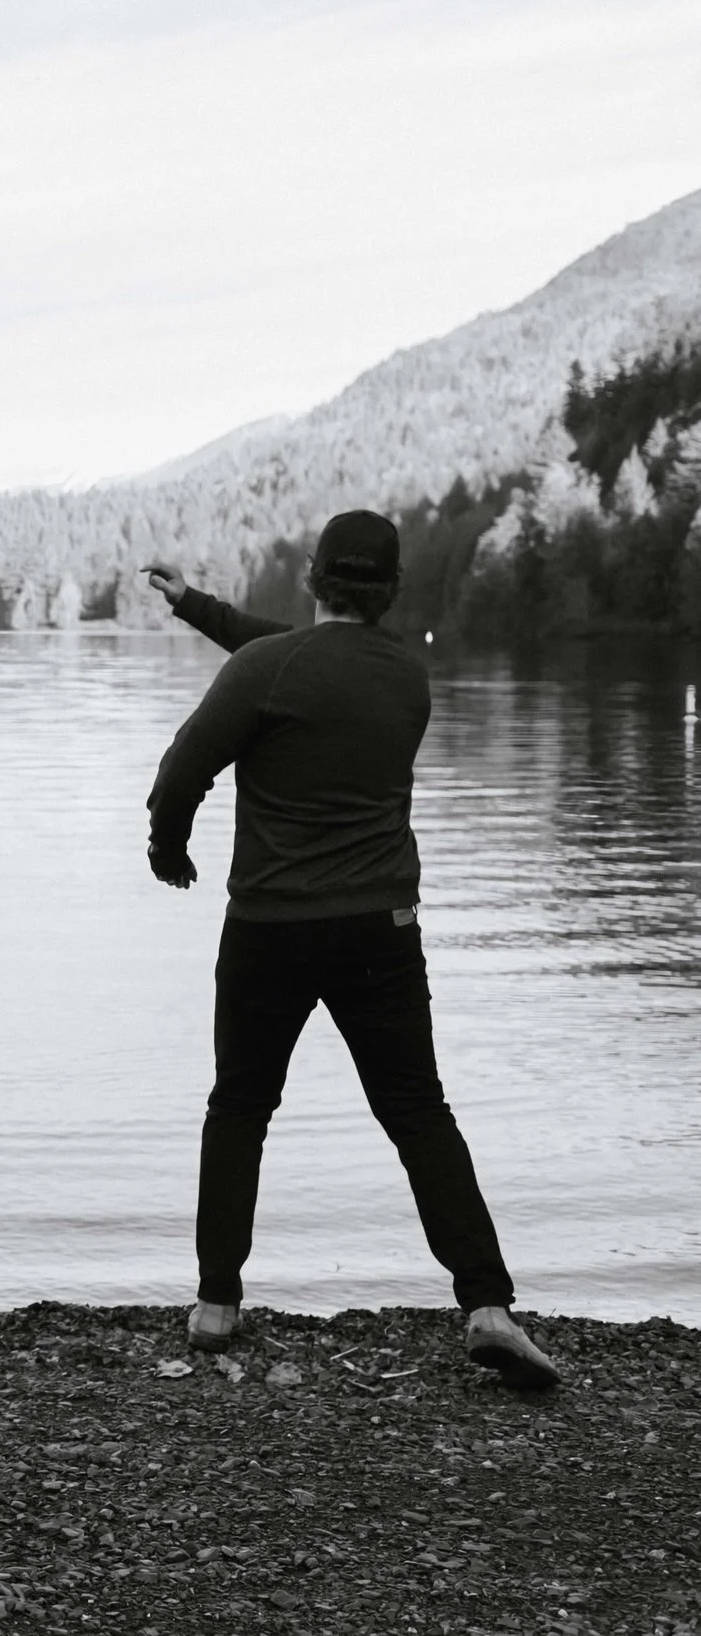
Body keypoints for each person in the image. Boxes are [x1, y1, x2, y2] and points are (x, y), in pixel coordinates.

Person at [145, 511, 558, 1387]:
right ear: (394, 588)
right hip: (382, 930)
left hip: (270, 929)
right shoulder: (409, 673)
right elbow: (301, 659)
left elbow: (187, 764)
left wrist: (167, 845)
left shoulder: (271, 668)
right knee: (419, 1113)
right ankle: (486, 1303)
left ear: (311, 575)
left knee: (241, 1107)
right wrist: (200, 608)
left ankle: (217, 1303)